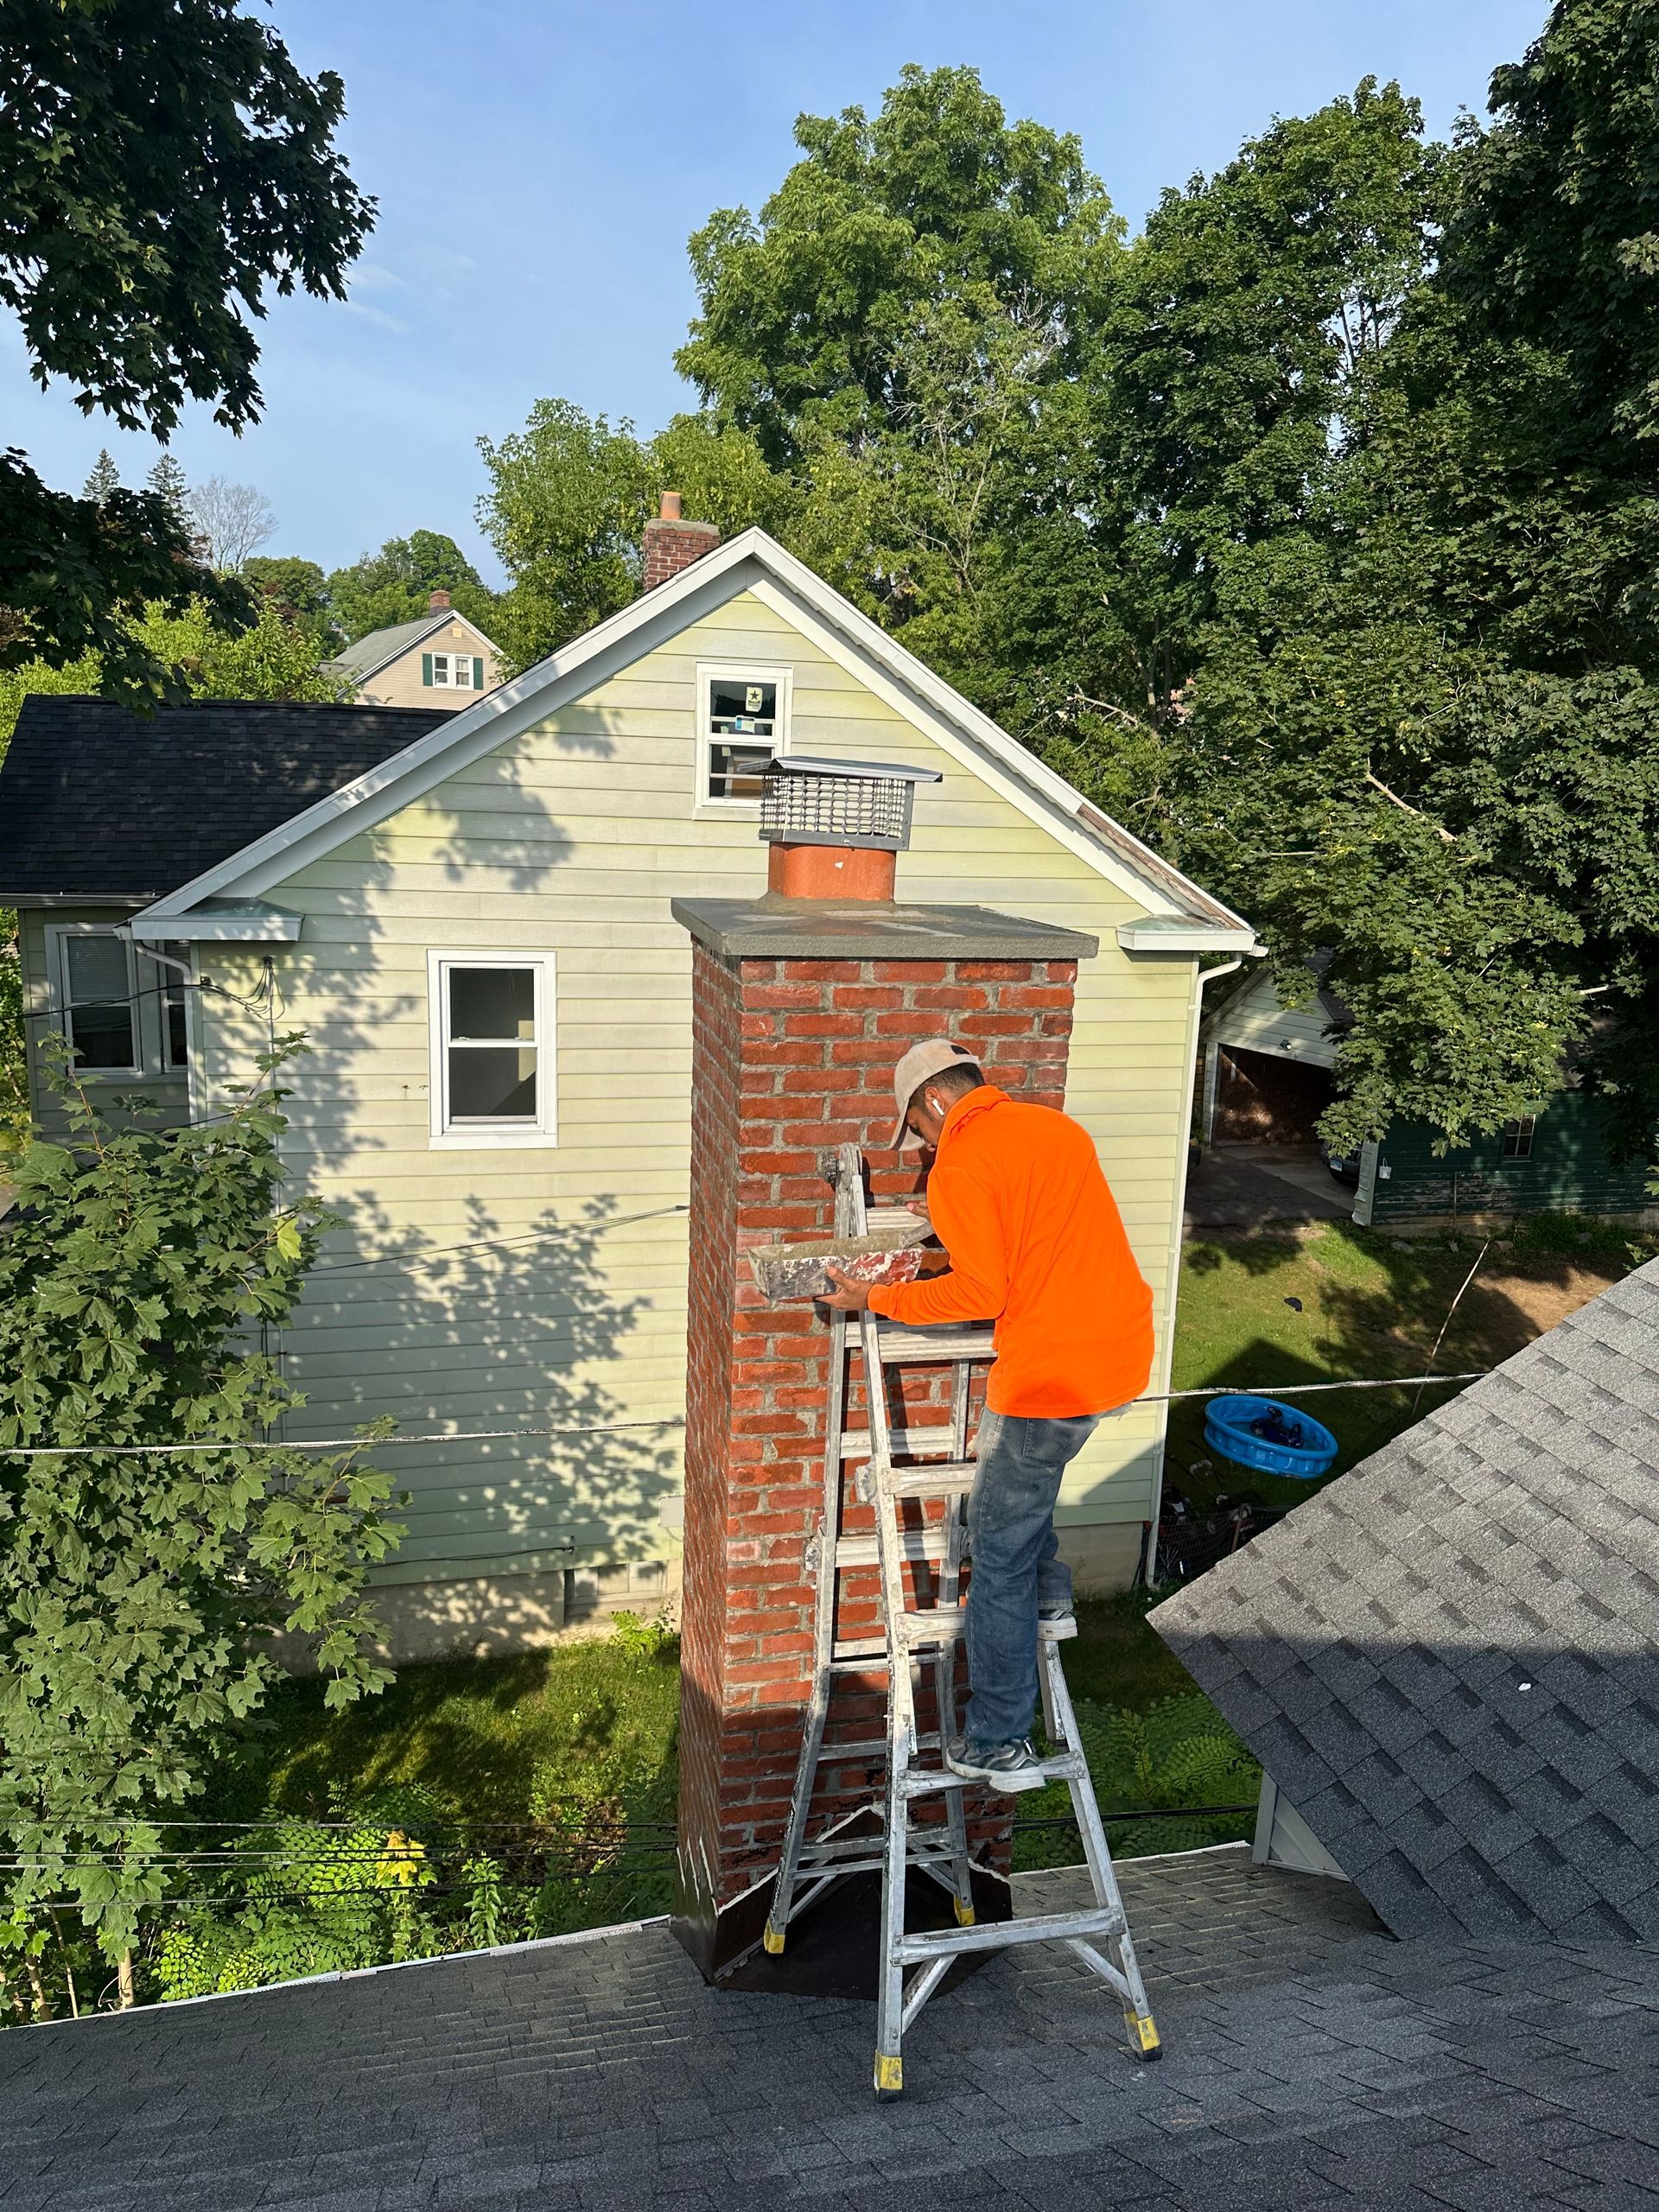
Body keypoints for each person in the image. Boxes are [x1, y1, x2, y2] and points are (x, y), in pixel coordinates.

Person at [823, 1039, 1154, 1792]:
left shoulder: (961, 1165)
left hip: (1048, 1378)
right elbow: (1032, 1231)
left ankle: (998, 1742)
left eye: (921, 1128)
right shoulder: (1054, 1130)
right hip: (1116, 1356)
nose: (926, 1145)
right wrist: (953, 1223)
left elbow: (980, 1295)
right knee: (1024, 1498)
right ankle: (1052, 1589)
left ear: (936, 1102)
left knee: (994, 1553)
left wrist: (875, 1297)